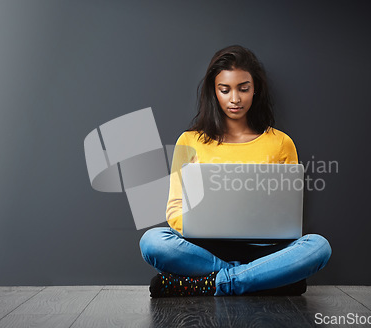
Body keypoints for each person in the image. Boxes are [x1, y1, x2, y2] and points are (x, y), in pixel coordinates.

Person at [139, 45, 331, 297]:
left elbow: (291, 214)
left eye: (243, 88)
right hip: (204, 249)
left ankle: (212, 282)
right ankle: (266, 278)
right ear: (213, 92)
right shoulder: (190, 140)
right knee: (153, 242)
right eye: (225, 89)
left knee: (319, 247)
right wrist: (207, 224)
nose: (235, 99)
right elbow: (174, 210)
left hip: (265, 248)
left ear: (255, 89)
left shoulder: (281, 142)